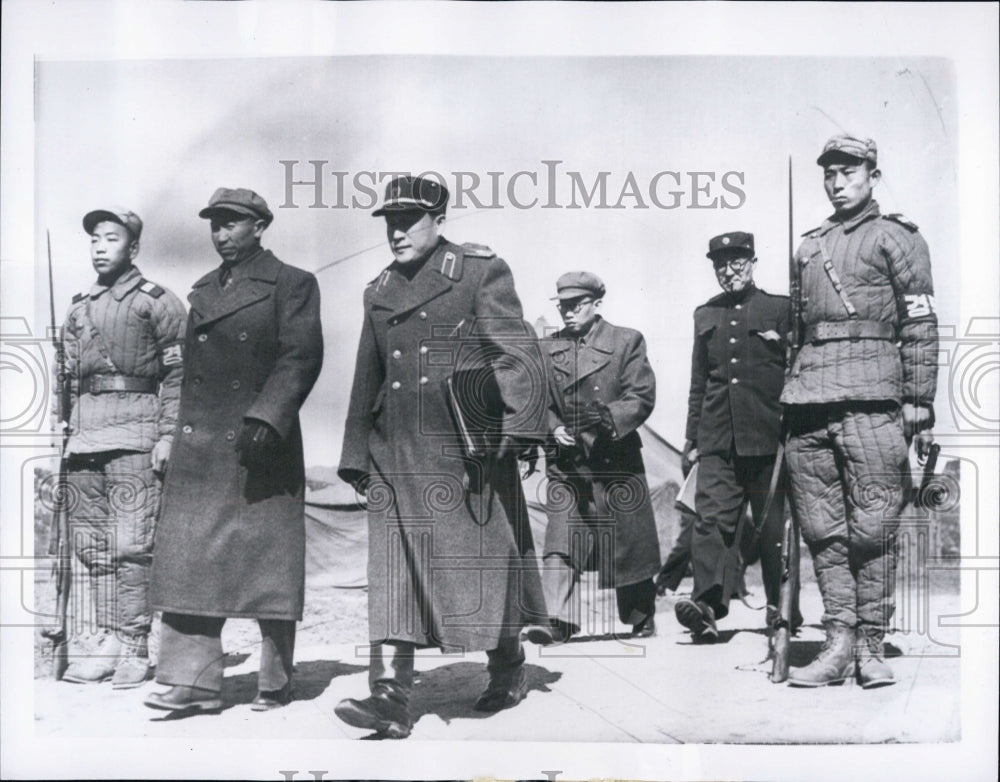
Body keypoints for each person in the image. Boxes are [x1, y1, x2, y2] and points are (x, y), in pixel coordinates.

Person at [336, 175, 546, 738]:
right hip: (393, 450)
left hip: (464, 451)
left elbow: (517, 357)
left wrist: (517, 431)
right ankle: (392, 699)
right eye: (389, 222)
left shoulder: (479, 272)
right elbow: (367, 374)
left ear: (440, 220)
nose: (396, 232)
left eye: (408, 221)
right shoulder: (377, 288)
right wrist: (356, 452)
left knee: (482, 566)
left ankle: (508, 665)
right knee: (396, 574)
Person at [145, 188, 323, 712]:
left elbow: (300, 358)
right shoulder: (201, 290)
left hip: (260, 445)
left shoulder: (292, 284)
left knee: (267, 564)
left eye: (233, 223)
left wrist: (268, 417)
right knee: (190, 560)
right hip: (201, 447)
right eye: (215, 225)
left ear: (260, 226)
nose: (221, 234)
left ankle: (275, 680)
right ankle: (191, 682)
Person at [782, 134, 937, 688]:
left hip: (873, 400)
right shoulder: (808, 245)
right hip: (809, 402)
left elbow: (919, 322)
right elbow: (798, 329)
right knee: (824, 531)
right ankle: (837, 643)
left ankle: (871, 643)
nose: (837, 181)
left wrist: (919, 399)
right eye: (830, 173)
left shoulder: (897, 237)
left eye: (849, 171)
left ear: (873, 173)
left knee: (873, 528)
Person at [53, 207, 186, 687]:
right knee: (93, 547)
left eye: (111, 237)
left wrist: (168, 435)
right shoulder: (77, 308)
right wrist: (61, 431)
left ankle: (134, 643)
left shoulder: (157, 302)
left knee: (132, 545)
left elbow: (178, 376)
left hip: (136, 434)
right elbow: (65, 380)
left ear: (133, 247)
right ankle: (107, 640)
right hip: (84, 439)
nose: (100, 246)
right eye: (94, 239)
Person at [673, 232, 799, 642]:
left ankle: (783, 610)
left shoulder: (780, 309)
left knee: (772, 530)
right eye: (721, 264)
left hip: (770, 439)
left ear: (753, 261)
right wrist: (691, 439)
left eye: (737, 261)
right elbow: (699, 383)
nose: (729, 270)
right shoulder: (705, 315)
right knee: (710, 523)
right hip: (718, 440)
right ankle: (707, 606)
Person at [524, 272, 661, 644]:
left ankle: (641, 615)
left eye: (577, 305)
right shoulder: (546, 349)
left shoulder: (626, 341)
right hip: (568, 465)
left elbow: (642, 395)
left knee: (627, 542)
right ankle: (558, 619)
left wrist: (608, 418)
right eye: (563, 306)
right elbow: (538, 400)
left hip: (615, 458)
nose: (569, 313)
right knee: (561, 538)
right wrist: (552, 429)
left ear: (596, 303)